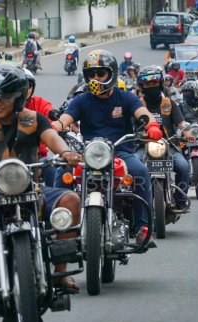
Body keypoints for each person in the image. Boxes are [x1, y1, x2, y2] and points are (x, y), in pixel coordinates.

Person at [0, 64, 83, 307]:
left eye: (5, 97)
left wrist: (65, 153)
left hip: (31, 187)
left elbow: (53, 139)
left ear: (19, 97)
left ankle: (61, 273)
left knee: (71, 200)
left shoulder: (32, 119)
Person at [53, 50, 161, 248]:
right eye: (91, 74)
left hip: (120, 152)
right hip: (88, 153)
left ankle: (142, 228)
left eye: (100, 73)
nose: (95, 78)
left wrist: (152, 125)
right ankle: (60, 226)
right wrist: (54, 128)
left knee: (140, 171)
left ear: (111, 73)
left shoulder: (126, 97)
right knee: (63, 172)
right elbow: (65, 120)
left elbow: (143, 112)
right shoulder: (81, 100)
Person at [134, 66, 192, 210]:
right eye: (148, 84)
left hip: (169, 146)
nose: (151, 87)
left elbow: (181, 122)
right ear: (142, 86)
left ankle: (180, 201)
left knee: (184, 167)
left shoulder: (168, 103)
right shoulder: (137, 105)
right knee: (133, 167)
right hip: (143, 146)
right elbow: (129, 126)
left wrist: (189, 132)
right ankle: (135, 204)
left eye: (154, 84)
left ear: (159, 84)